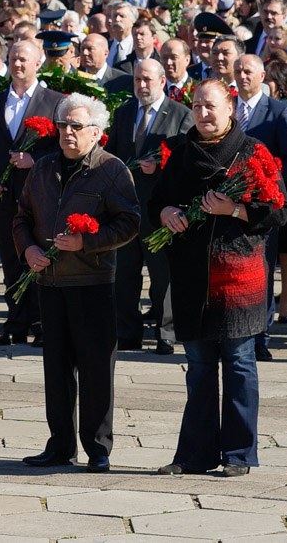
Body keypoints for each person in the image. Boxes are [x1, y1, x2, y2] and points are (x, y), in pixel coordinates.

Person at [150, 79, 287, 476]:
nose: (202, 113)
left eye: (210, 106)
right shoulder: (182, 152)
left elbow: (278, 212)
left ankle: (239, 454)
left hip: (238, 275)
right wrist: (166, 215)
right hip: (193, 275)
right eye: (196, 106)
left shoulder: (253, 152)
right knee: (198, 366)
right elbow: (157, 199)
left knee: (240, 363)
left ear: (230, 109)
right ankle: (193, 455)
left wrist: (234, 210)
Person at [15, 91, 139, 474]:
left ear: (96, 132)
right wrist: (28, 251)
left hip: (92, 281)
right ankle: (60, 444)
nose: (67, 132)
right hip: (49, 284)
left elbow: (130, 221)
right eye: (63, 125)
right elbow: (20, 217)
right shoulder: (43, 167)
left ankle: (98, 448)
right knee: (56, 368)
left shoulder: (111, 168)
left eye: (76, 126)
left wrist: (88, 241)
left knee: (96, 368)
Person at [0, 41, 64, 347]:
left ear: (38, 63)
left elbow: (64, 149)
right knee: (10, 261)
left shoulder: (55, 102)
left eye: (23, 59)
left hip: (41, 199)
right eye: (12, 59)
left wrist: (34, 160)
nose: (17, 64)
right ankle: (15, 322)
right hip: (4, 197)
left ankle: (42, 322)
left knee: (37, 258)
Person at [104, 60, 194, 355]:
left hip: (160, 209)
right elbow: (113, 154)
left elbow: (187, 163)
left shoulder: (181, 115)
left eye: (147, 80)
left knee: (162, 276)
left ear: (162, 81)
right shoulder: (124, 112)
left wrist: (159, 167)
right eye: (137, 80)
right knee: (125, 274)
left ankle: (166, 333)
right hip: (126, 209)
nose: (142, 86)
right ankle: (128, 333)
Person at [233, 54, 287, 361]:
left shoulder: (278, 112)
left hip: (263, 206)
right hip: (228, 204)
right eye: (238, 71)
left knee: (261, 272)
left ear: (263, 76)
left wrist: (268, 183)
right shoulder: (227, 109)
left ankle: (261, 337)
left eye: (248, 71)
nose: (242, 76)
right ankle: (236, 330)